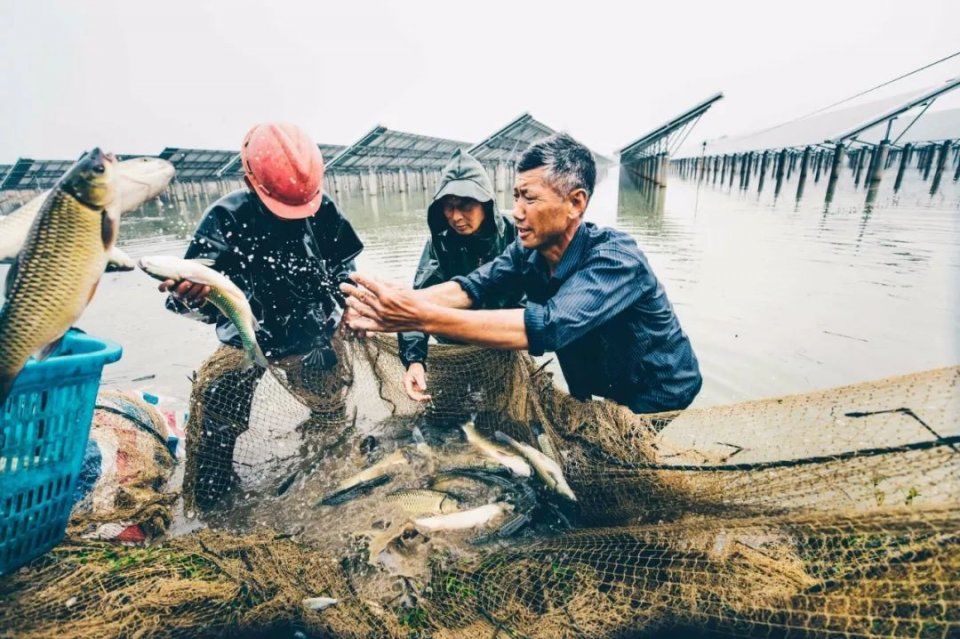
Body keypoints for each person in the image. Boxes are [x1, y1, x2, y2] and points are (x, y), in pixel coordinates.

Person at [341, 133, 701, 414]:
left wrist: (419, 315)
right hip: (594, 372)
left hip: (655, 388)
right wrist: (388, 305)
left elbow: (549, 326)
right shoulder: (527, 252)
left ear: (576, 203)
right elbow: (473, 287)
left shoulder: (616, 260)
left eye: (529, 198)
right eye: (515, 197)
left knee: (624, 465)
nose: (516, 212)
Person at [162, 122, 363, 509]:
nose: (293, 216)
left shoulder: (325, 210)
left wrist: (350, 303)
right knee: (217, 414)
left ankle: (326, 477)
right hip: (247, 340)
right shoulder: (225, 218)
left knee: (330, 412)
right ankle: (214, 505)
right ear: (249, 180)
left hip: (316, 334)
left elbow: (344, 267)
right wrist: (192, 298)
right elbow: (180, 300)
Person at [398, 149, 522, 402]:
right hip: (454, 346)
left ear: (486, 203)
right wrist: (415, 360)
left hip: (503, 341)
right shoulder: (439, 244)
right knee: (450, 407)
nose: (456, 216)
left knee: (502, 404)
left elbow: (533, 305)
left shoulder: (515, 236)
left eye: (465, 205)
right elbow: (419, 302)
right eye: (448, 206)